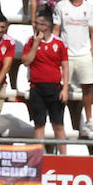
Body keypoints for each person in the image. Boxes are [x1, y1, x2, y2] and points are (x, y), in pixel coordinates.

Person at [54, 0, 93, 138]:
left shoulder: (88, 7)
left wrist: (92, 52)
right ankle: (59, 121)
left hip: (84, 54)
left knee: (87, 88)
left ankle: (88, 120)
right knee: (61, 89)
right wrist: (55, 51)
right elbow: (56, 30)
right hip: (66, 56)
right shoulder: (61, 6)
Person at [22, 11, 68, 145]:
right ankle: (38, 159)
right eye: (35, 23)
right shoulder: (31, 41)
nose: (35, 25)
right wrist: (36, 44)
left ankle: (64, 159)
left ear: (46, 26)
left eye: (38, 23)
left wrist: (65, 89)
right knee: (39, 125)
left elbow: (65, 67)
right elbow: (26, 61)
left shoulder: (59, 43)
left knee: (58, 125)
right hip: (37, 88)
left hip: (55, 89)